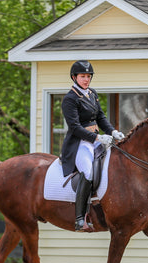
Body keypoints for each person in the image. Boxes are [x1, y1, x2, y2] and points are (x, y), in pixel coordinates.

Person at [61, 60, 125, 231]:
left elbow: (101, 118)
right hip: (80, 144)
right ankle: (80, 218)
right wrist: (97, 138)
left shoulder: (92, 93)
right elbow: (75, 128)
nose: (86, 79)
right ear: (74, 77)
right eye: (83, 76)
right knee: (88, 172)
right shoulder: (70, 99)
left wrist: (112, 132)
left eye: (88, 76)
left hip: (97, 140)